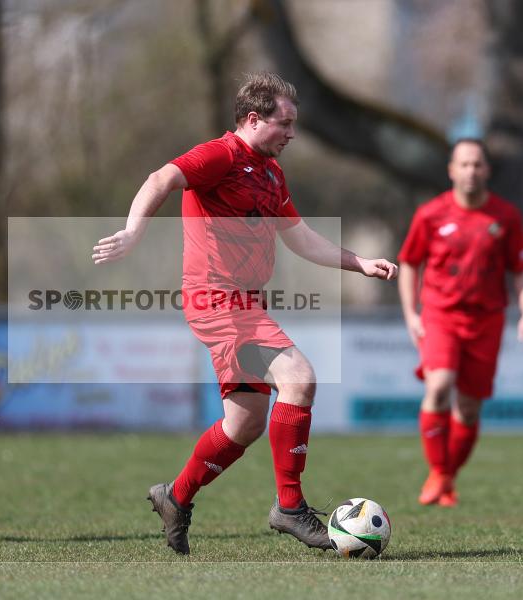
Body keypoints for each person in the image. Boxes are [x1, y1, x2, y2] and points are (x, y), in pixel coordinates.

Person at [93, 72, 397, 555]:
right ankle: (290, 507)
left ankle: (176, 496)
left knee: (245, 423)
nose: (292, 133)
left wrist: (357, 262)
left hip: (244, 305)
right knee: (299, 379)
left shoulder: (272, 173)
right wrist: (132, 232)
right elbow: (160, 179)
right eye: (285, 123)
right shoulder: (222, 155)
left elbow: (300, 238)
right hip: (218, 302)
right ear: (253, 119)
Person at [397, 138, 523, 508]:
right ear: (451, 170)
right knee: (439, 385)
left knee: (470, 407)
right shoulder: (430, 214)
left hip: (487, 319)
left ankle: (446, 477)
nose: (471, 171)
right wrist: (411, 313)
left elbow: (521, 268)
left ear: (487, 170)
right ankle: (439, 472)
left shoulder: (505, 216)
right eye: (464, 164)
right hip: (441, 314)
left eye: (477, 164)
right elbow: (409, 263)